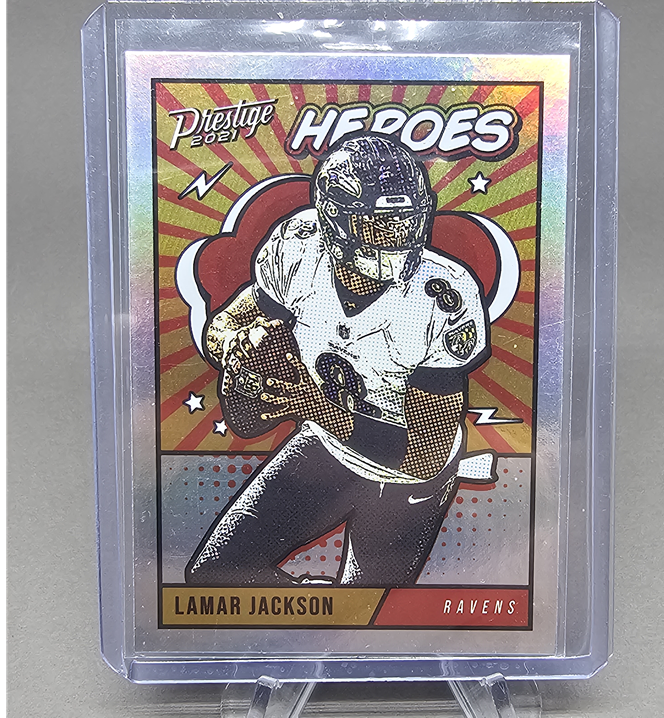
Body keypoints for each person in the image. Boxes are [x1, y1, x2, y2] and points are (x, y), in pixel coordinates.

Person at [185, 133, 491, 587]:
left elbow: (422, 456)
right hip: (327, 447)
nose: (400, 236)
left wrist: (309, 404)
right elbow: (229, 322)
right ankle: (312, 608)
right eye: (381, 224)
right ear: (335, 219)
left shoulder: (441, 295)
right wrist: (237, 345)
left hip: (405, 480)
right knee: (214, 574)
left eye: (408, 221)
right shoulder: (300, 244)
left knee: (365, 615)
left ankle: (333, 611)